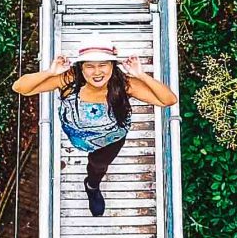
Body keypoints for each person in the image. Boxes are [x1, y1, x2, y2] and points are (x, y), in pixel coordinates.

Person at [12, 38, 178, 217]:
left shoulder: (124, 84)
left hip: (111, 139)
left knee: (98, 166)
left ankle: (92, 186)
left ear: (113, 65)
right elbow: (21, 88)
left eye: (103, 65)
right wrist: (50, 72)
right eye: (90, 66)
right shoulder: (70, 80)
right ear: (81, 67)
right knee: (96, 162)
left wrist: (141, 75)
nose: (97, 72)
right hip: (77, 136)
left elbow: (168, 100)